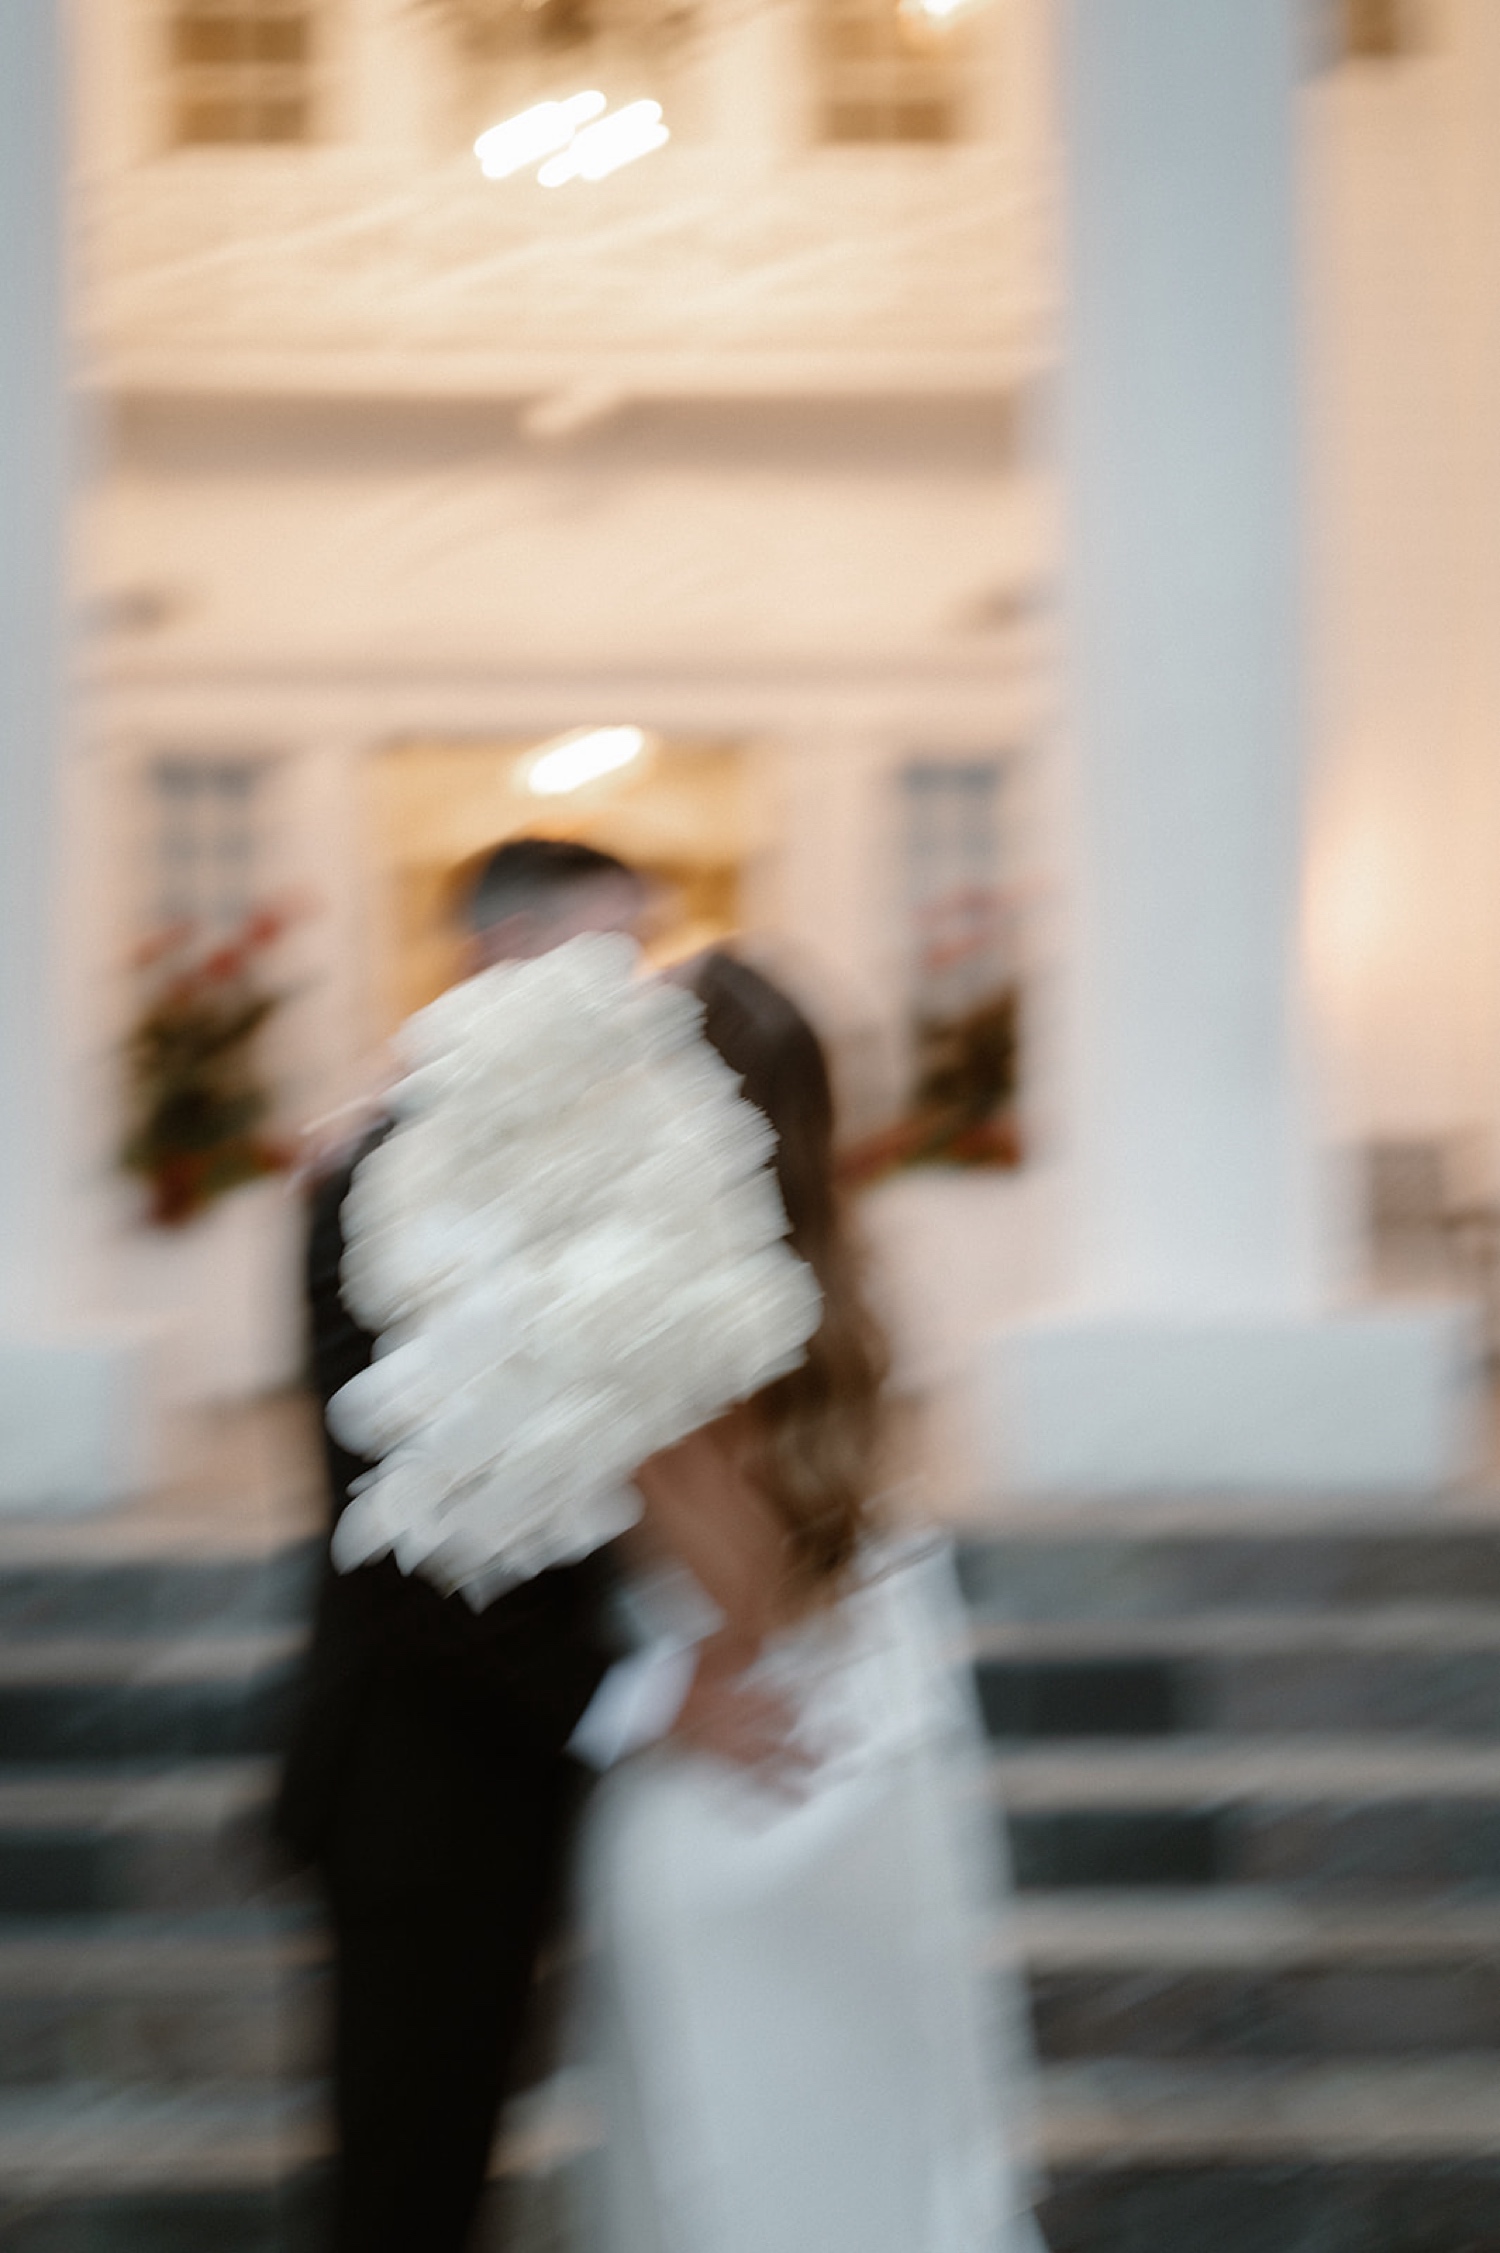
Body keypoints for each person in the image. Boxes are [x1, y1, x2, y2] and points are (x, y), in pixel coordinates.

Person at [276, 841, 796, 2253]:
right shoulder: (367, 1186)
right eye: (595, 962)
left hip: (602, 1786)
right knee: (412, 2178)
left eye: (637, 967)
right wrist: (635, 1703)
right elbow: (395, 1545)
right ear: (487, 965)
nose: (629, 1002)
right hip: (430, 1777)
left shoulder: (636, 1174)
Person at [573, 951, 1048, 2253]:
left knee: (729, 2177)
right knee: (890, 2165)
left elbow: (748, 1601)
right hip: (873, 1772)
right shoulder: (846, 1288)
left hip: (746, 1778)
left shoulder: (657, 1308)